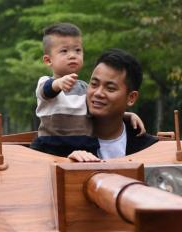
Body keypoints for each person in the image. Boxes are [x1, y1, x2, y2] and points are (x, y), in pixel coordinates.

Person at [31, 23, 144, 157]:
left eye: (77, 50)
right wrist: (58, 83)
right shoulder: (46, 82)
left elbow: (94, 108)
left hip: (83, 145)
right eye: (64, 51)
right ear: (48, 60)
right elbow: (46, 91)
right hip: (52, 146)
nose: (72, 55)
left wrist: (126, 115)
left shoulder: (84, 87)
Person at [67, 49, 158, 162]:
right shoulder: (63, 137)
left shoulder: (149, 149)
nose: (98, 93)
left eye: (110, 88)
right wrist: (67, 162)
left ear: (131, 98)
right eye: (94, 84)